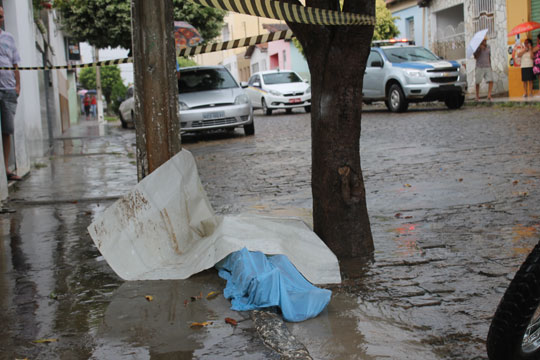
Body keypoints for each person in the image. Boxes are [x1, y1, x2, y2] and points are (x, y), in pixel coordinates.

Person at [0, 6, 22, 181]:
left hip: (8, 90)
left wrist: (18, 87)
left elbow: (16, 64)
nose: (0, 19)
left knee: (7, 130)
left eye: (1, 16)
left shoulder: (9, 38)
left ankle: (6, 169)